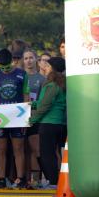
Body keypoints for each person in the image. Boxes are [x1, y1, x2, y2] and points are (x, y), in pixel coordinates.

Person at [0, 48, 30, 189]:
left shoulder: (22, 74)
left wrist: (26, 118)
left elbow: (26, 96)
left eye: (7, 67)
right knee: (1, 148)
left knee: (18, 148)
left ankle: (21, 178)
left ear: (13, 61)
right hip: (0, 118)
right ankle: (1, 179)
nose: (5, 70)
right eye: (2, 67)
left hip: (17, 117)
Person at [31, 56, 67, 187]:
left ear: (53, 69)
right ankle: (55, 180)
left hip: (48, 124)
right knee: (54, 153)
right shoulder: (62, 84)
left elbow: (44, 106)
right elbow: (43, 103)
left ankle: (53, 182)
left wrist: (32, 120)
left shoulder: (52, 85)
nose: (45, 67)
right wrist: (31, 104)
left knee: (47, 154)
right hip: (59, 124)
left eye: (48, 66)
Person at [22, 49, 46, 187]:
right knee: (22, 149)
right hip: (20, 118)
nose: (29, 61)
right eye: (26, 58)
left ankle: (36, 179)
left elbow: (42, 100)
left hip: (35, 118)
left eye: (31, 57)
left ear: (36, 59)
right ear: (23, 61)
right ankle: (23, 179)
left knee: (35, 149)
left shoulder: (41, 79)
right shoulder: (19, 76)